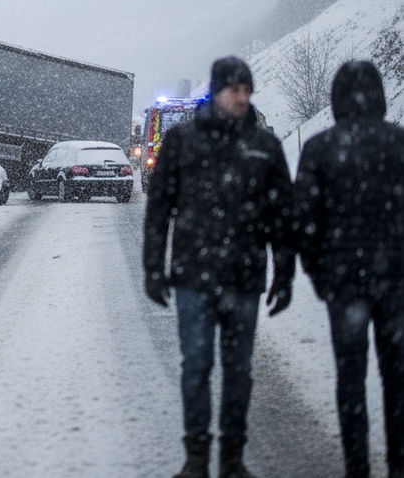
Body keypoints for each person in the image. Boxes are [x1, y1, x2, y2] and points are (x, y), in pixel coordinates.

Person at [143, 56, 295, 478]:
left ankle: (232, 459)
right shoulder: (182, 141)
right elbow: (159, 210)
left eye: (247, 91)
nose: (242, 98)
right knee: (196, 366)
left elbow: (282, 215)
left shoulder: (264, 146)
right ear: (216, 93)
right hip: (193, 276)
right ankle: (196, 458)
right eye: (234, 91)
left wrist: (284, 273)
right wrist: (153, 268)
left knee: (239, 370)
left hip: (244, 276)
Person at [293, 60, 404, 478]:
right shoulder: (399, 143)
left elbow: (305, 222)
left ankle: (357, 466)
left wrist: (319, 275)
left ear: (336, 98)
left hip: (344, 284)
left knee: (351, 378)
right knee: (398, 377)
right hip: (397, 280)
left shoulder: (320, 148)